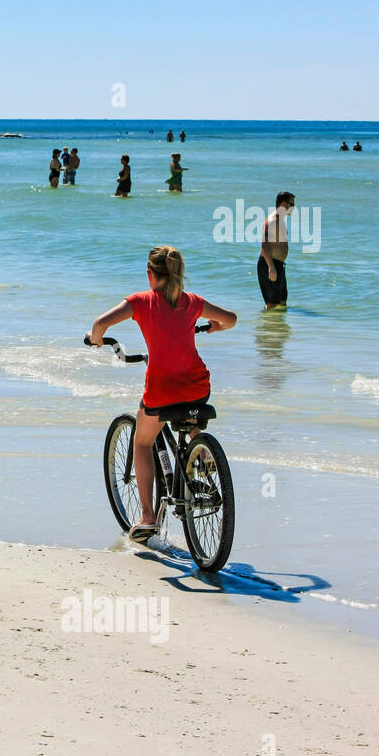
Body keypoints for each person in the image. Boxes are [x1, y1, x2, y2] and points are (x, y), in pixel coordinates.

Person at [86, 246, 237, 543]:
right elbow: (231, 318)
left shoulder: (141, 301)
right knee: (189, 412)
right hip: (198, 385)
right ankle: (199, 450)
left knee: (142, 442)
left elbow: (100, 323)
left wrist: (96, 340)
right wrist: (215, 327)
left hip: (161, 390)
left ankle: (147, 517)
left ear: (150, 274)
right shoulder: (192, 302)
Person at [258, 191, 295, 309]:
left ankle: (277, 327)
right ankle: (268, 327)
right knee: (272, 304)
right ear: (284, 205)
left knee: (282, 303)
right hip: (270, 264)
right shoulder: (273, 220)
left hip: (278, 265)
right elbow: (265, 244)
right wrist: (271, 267)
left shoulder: (280, 220)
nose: (294, 207)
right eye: (292, 204)